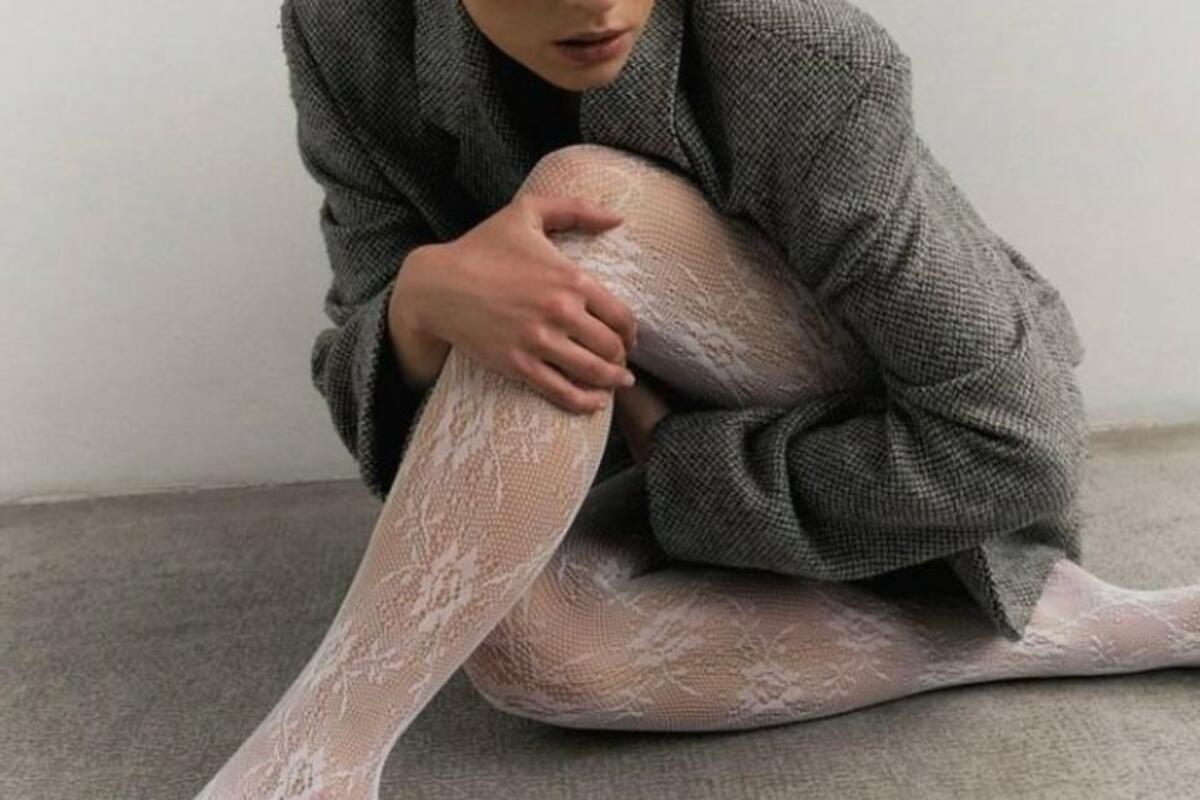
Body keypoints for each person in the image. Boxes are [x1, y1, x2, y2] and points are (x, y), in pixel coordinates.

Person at [194, 1, 1200, 797]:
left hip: (901, 450)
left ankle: (315, 761)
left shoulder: (797, 52)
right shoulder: (347, 31)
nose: (595, 3)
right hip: (632, 429)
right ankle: (1047, 633)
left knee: (583, 211)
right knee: (520, 649)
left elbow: (1015, 449)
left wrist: (684, 462)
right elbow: (381, 410)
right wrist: (420, 301)